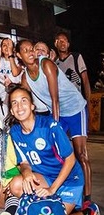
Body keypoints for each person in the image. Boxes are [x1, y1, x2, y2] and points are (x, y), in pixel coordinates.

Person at [7, 86, 103, 215]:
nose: (19, 106)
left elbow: (70, 159)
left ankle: (87, 213)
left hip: (70, 179)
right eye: (14, 103)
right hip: (45, 177)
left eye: (24, 101)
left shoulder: (49, 126)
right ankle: (44, 209)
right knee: (16, 184)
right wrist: (26, 174)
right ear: (11, 111)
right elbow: (23, 162)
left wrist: (52, 189)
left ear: (32, 106)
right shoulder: (15, 132)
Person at [15, 39, 93, 206]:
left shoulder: (47, 65)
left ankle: (87, 199)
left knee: (80, 154)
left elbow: (54, 100)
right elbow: (26, 103)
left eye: (32, 49)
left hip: (74, 109)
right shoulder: (25, 78)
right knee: (57, 155)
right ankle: (62, 188)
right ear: (19, 55)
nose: (30, 52)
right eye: (26, 50)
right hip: (58, 113)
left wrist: (54, 131)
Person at [54, 31, 91, 101]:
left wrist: (88, 101)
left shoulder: (76, 57)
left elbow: (85, 80)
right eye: (60, 41)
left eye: (65, 41)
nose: (63, 43)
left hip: (77, 101)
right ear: (56, 44)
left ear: (68, 44)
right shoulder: (55, 63)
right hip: (63, 103)